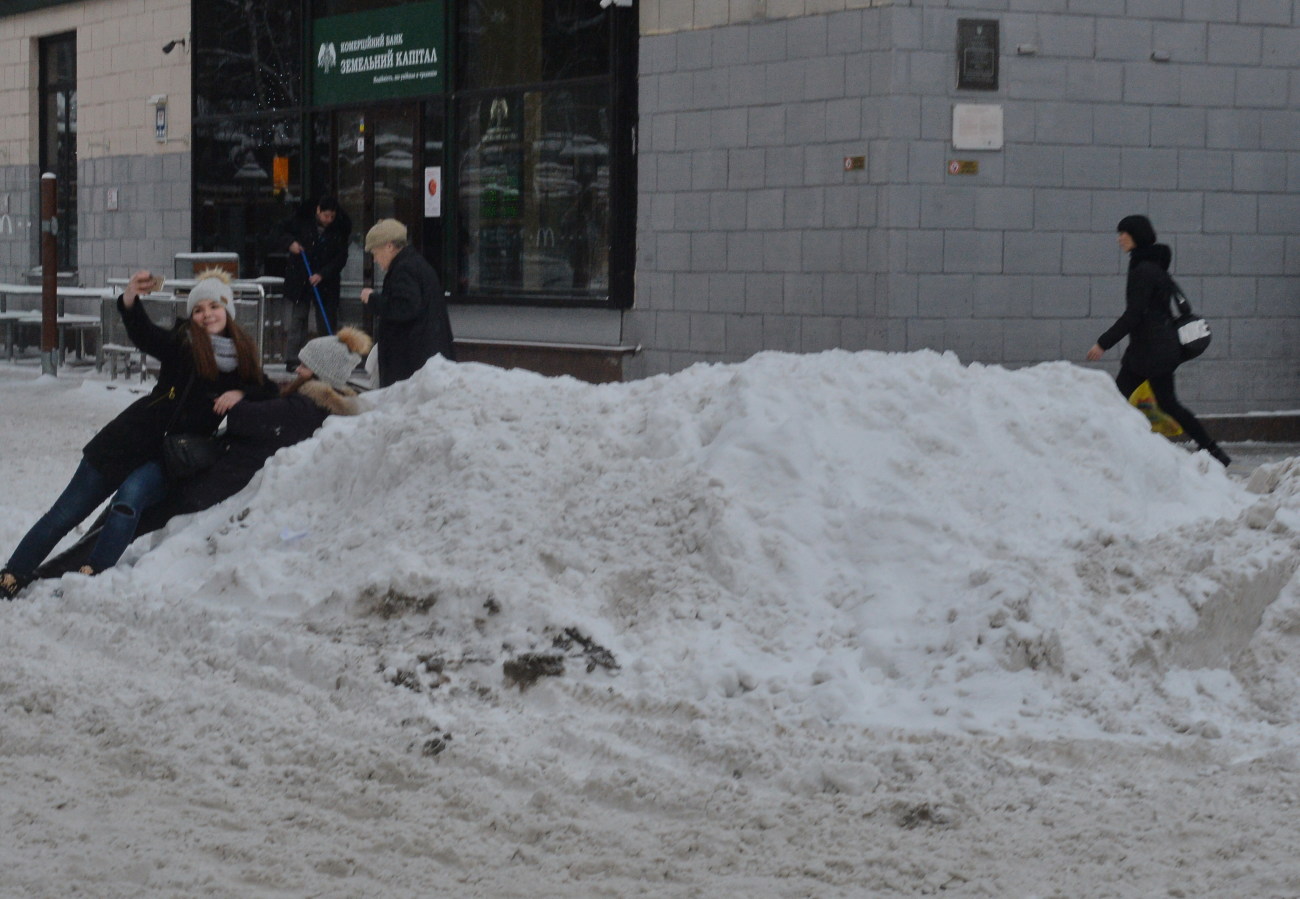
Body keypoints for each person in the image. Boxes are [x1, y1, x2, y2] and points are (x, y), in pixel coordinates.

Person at [0, 269, 278, 599]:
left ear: (228, 310)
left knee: (128, 502)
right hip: (124, 441)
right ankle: (11, 574)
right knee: (64, 514)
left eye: (214, 307)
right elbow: (144, 333)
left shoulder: (243, 361)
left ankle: (92, 573)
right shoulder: (181, 344)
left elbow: (271, 392)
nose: (206, 315)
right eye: (198, 309)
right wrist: (130, 298)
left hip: (166, 457)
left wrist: (242, 395)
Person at [31, 328, 372, 581]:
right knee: (128, 509)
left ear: (320, 373)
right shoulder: (315, 405)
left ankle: (67, 570)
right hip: (216, 477)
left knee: (131, 510)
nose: (297, 370)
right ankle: (70, 565)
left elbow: (241, 420)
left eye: (305, 366)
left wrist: (239, 399)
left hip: (210, 483)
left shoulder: (300, 407)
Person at [1087, 215, 1230, 467]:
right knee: (1165, 403)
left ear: (1137, 236)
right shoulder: (1153, 265)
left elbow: (1134, 314)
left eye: (1125, 233)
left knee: (1118, 399)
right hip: (1155, 349)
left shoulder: (1143, 270)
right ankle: (1214, 451)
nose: (1119, 238)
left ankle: (1102, 451)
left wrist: (1103, 343)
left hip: (1149, 352)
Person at [360, 218, 454, 387]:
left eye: (375, 252)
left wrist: (373, 300)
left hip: (412, 362)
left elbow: (405, 308)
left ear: (389, 246)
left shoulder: (404, 269)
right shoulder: (414, 264)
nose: (374, 259)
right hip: (423, 357)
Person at [280, 195, 352, 371]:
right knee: (298, 319)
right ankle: (293, 359)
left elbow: (341, 258)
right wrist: (291, 243)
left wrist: (322, 274)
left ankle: (328, 360)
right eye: (326, 216)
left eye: (332, 217)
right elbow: (280, 233)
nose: (328, 220)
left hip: (326, 283)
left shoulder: (339, 229)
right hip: (301, 279)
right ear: (318, 210)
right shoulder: (301, 221)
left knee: (326, 321)